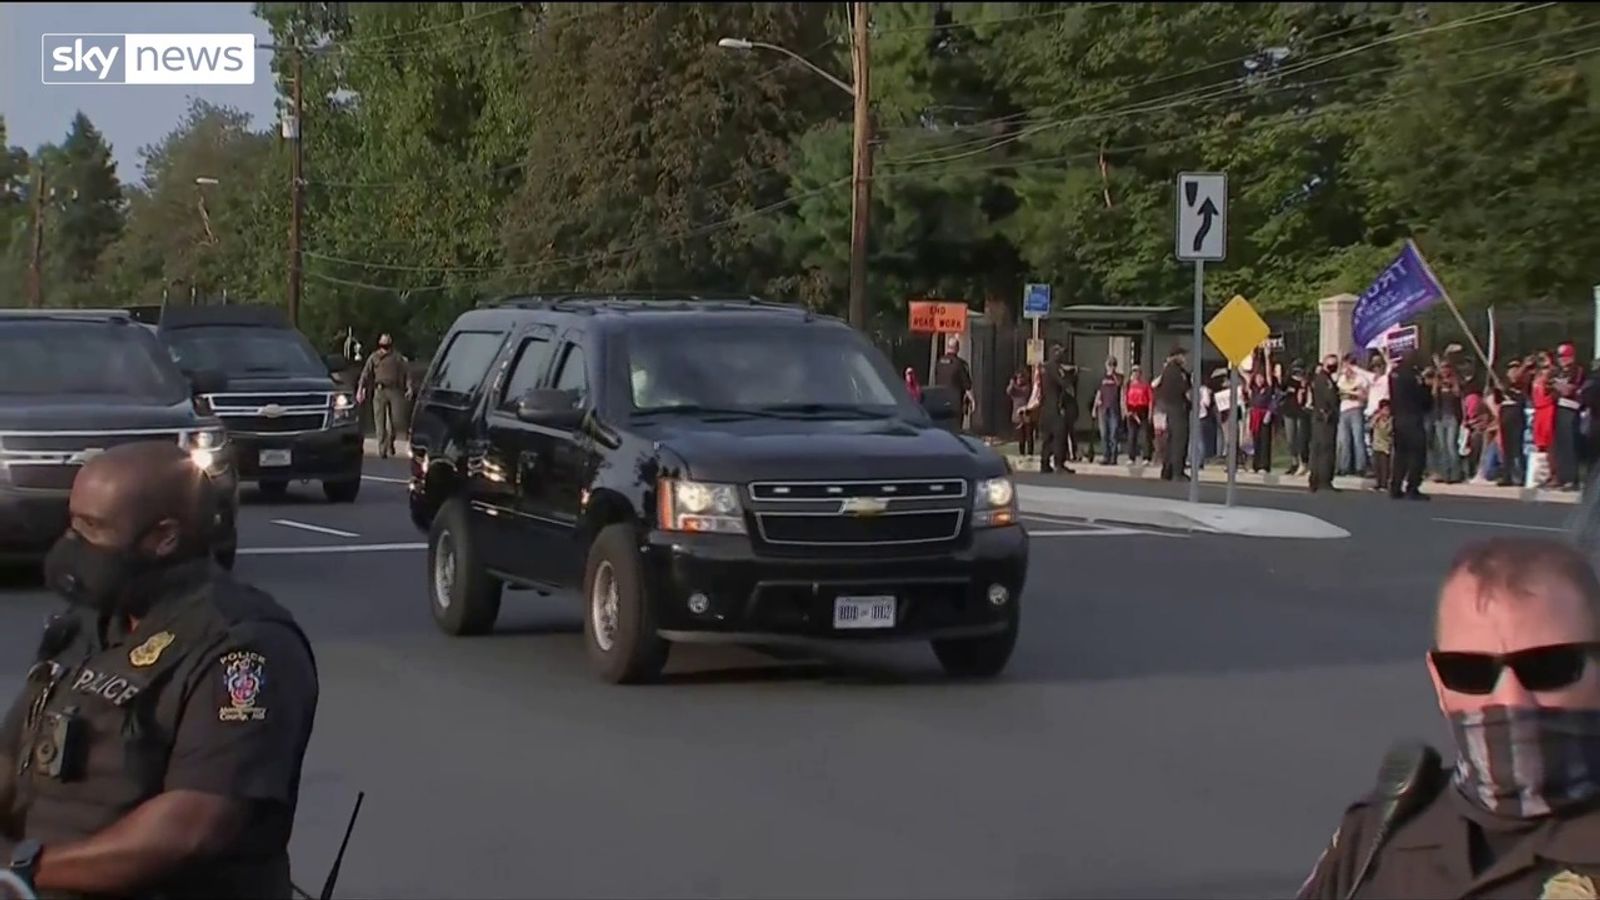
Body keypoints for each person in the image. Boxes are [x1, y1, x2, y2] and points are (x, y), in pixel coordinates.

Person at [0, 442, 318, 898]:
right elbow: (12, 757)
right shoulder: (87, 626)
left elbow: (191, 828)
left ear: (164, 537)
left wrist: (22, 873)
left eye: (92, 527)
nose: (73, 543)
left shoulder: (241, 646)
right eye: (73, 522)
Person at [1296, 537, 1600, 899]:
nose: (1508, 700)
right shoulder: (1380, 832)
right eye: (1469, 672)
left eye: (1548, 668)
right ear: (1439, 683)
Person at [358, 333, 414, 459]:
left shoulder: (397, 358)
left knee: (394, 420)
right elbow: (365, 373)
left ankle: (390, 443)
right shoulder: (374, 357)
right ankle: (382, 448)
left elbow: (407, 373)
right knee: (379, 421)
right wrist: (361, 389)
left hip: (394, 390)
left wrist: (409, 387)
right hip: (379, 390)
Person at [1389, 349, 1432, 500]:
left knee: (1400, 455)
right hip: (1412, 417)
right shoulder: (1414, 376)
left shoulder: (1394, 373)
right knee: (1417, 454)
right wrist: (1426, 386)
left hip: (1398, 417)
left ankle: (1395, 486)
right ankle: (1412, 487)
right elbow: (1423, 399)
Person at [1155, 346, 1192, 481]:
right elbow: (1187, 392)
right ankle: (1177, 472)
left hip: (1168, 408)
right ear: (1177, 356)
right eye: (1183, 355)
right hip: (1178, 408)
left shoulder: (1166, 371)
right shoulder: (1179, 372)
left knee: (1170, 441)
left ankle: (1167, 471)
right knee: (1179, 440)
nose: (1185, 358)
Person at [1553, 342, 1585, 490]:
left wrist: (1557, 385)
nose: (1561, 360)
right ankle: (1562, 477)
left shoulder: (1576, 370)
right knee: (1561, 445)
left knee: (1571, 445)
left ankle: (1572, 479)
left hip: (1571, 409)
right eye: (1559, 357)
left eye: (1563, 356)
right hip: (1560, 407)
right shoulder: (1560, 372)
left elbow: (1569, 390)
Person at [1038, 346, 1073, 475]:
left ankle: (1045, 463)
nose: (1062, 356)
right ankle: (1059, 463)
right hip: (1055, 407)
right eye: (1059, 353)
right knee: (1059, 436)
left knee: (1047, 437)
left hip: (1046, 406)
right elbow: (1064, 383)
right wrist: (1070, 374)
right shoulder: (1054, 368)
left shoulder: (1045, 368)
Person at [1336, 353, 1372, 477]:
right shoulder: (1341, 379)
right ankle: (1344, 466)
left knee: (1358, 439)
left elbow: (1365, 395)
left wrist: (1354, 394)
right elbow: (1339, 392)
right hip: (1343, 410)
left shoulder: (1360, 378)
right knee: (1344, 440)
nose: (1346, 368)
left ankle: (1360, 467)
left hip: (1356, 408)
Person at [1309, 354, 1341, 493]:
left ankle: (1315, 479)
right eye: (1332, 365)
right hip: (1325, 419)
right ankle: (1324, 480)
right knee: (1326, 450)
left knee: (1317, 449)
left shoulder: (1318, 378)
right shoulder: (1325, 379)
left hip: (1319, 418)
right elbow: (1331, 399)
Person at [933, 336, 975, 431]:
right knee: (955, 429)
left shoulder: (939, 362)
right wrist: (972, 400)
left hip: (941, 400)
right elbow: (967, 385)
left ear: (948, 347)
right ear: (957, 348)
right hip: (955, 402)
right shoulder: (959, 364)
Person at [1499, 360, 1530, 488]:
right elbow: (1499, 394)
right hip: (1505, 418)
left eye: (1516, 368)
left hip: (1517, 418)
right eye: (1511, 369)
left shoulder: (1524, 384)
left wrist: (1522, 369)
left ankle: (1520, 476)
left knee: (1517, 448)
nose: (1513, 371)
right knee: (1506, 449)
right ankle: (1507, 476)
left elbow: (1521, 394)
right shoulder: (1503, 383)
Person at [1092, 358, 1126, 465]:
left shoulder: (1119, 376)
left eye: (1113, 364)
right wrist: (1094, 408)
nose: (1111, 366)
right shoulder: (1101, 378)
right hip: (1103, 408)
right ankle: (1105, 456)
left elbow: (1119, 384)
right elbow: (1098, 393)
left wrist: (1113, 374)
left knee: (1113, 433)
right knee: (1104, 433)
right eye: (1109, 364)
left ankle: (1113, 457)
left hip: (1114, 408)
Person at [1247, 368, 1277, 474]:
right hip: (1255, 417)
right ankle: (1255, 464)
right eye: (1258, 378)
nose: (1260, 380)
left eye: (1262, 378)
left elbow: (1273, 402)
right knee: (1255, 441)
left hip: (1265, 416)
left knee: (1265, 441)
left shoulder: (1268, 389)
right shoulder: (1252, 390)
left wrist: (1269, 413)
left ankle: (1264, 465)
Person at [1125, 365, 1153, 464]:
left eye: (1137, 372)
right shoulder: (1128, 385)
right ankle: (1131, 457)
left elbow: (1150, 400)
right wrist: (1126, 411)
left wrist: (1150, 413)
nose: (1135, 374)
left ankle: (1146, 456)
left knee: (1144, 435)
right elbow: (1124, 398)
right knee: (1132, 435)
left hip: (1142, 409)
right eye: (1134, 372)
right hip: (1132, 409)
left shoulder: (1145, 385)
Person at [1008, 370, 1034, 457]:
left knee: (1029, 436)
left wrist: (1014, 385)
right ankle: (1021, 453)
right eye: (1018, 378)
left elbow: (1023, 392)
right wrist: (1011, 384)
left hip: (1026, 415)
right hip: (1017, 416)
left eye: (1021, 378)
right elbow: (1009, 391)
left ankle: (1030, 452)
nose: (1019, 380)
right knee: (1020, 437)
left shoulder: (1027, 388)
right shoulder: (1014, 391)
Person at [1370, 399, 1394, 493]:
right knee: (1377, 466)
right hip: (1376, 446)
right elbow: (1370, 426)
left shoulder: (1391, 421)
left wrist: (1384, 421)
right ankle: (1378, 483)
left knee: (1384, 466)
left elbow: (1386, 432)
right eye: (1383, 409)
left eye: (1387, 410)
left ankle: (1384, 484)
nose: (1385, 412)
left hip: (1385, 447)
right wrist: (1376, 418)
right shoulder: (1377, 419)